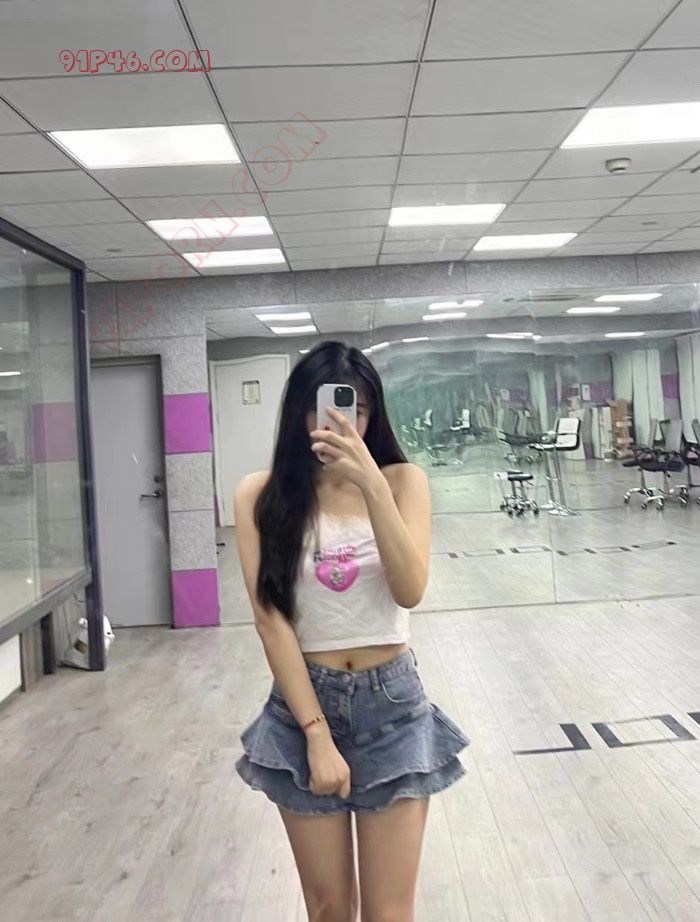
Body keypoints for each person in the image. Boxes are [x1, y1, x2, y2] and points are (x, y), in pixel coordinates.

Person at [234, 341, 470, 921]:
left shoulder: (404, 482)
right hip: (302, 707)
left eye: (358, 410)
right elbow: (270, 619)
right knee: (330, 910)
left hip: (392, 706)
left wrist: (370, 484)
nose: (343, 422)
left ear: (374, 415)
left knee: (389, 913)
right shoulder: (260, 495)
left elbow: (409, 589)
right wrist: (316, 735)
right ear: (300, 413)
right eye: (328, 408)